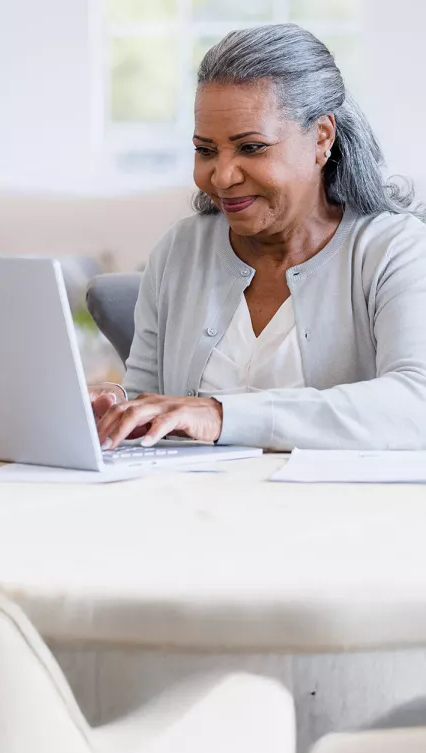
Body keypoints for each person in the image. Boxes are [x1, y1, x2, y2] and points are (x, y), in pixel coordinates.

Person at [93, 23, 426, 453]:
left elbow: (415, 406)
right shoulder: (181, 249)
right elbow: (150, 401)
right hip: (187, 509)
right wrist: (116, 408)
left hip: (338, 516)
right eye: (206, 150)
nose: (222, 176)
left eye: (251, 147)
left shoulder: (393, 249)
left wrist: (221, 414)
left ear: (322, 137)